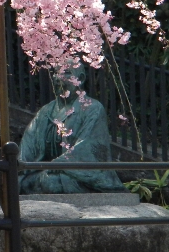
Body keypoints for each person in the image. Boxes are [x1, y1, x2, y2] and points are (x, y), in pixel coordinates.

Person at [18, 63, 126, 194]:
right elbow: (28, 147)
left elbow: (88, 148)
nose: (58, 77)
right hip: (45, 172)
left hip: (78, 175)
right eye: (56, 72)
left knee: (52, 182)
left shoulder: (92, 108)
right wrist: (19, 168)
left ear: (80, 78)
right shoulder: (45, 112)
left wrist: (61, 164)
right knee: (22, 182)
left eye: (66, 72)